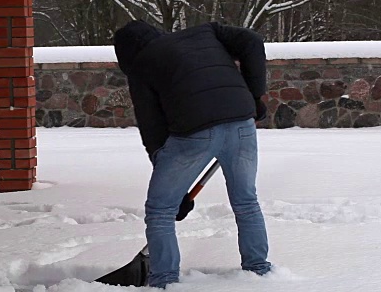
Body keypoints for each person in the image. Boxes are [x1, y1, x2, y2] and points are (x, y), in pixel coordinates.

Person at [113, 20, 272, 288]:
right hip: (242, 122)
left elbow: (153, 128)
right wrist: (254, 96)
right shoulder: (205, 31)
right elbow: (252, 41)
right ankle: (259, 270)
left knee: (160, 211)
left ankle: (164, 280)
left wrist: (172, 191)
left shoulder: (142, 64)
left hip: (194, 132)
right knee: (246, 201)